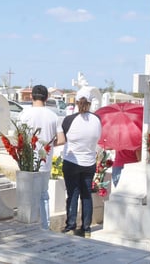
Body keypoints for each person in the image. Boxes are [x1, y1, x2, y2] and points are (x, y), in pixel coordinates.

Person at [57, 88, 102, 238]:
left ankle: (70, 226)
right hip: (89, 163)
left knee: (73, 194)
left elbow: (63, 138)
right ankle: (86, 229)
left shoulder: (69, 120)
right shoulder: (97, 120)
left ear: (76, 102)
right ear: (90, 103)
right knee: (86, 195)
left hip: (72, 161)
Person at [18, 85, 59, 230]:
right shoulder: (53, 116)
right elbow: (61, 139)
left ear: (31, 97)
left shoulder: (24, 114)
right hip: (45, 160)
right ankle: (45, 226)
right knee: (43, 195)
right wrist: (49, 143)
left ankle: (28, 225)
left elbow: (20, 138)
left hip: (28, 160)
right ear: (47, 97)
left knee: (28, 194)